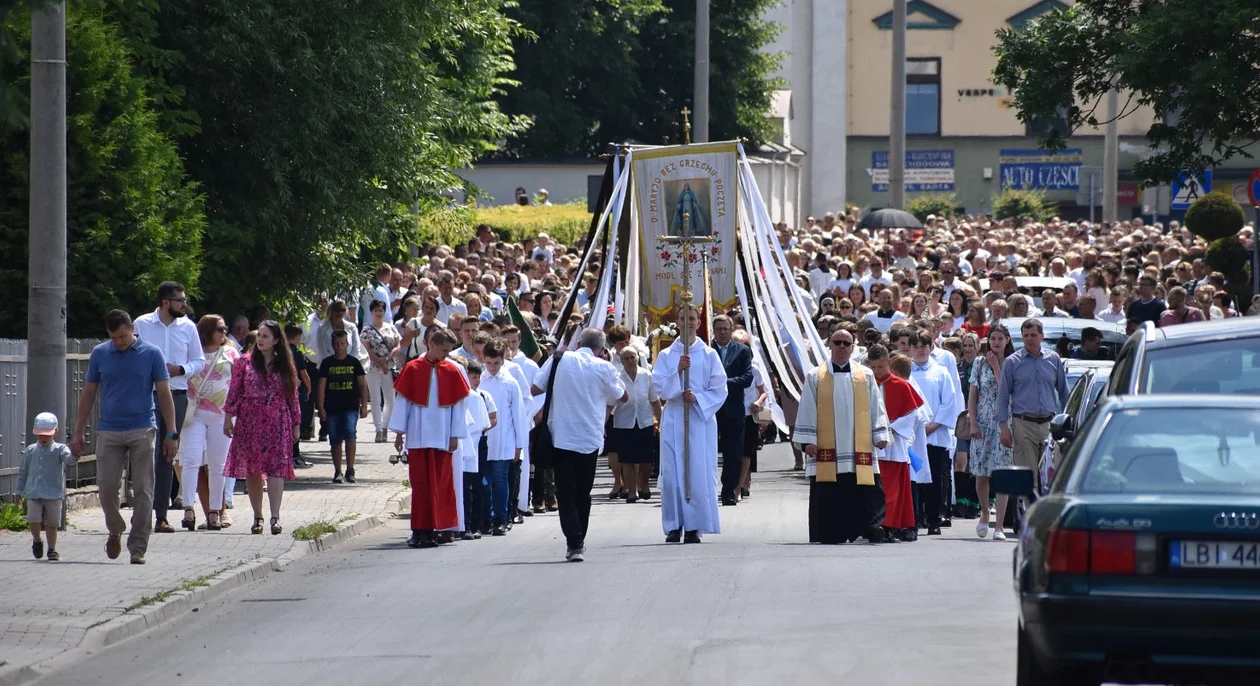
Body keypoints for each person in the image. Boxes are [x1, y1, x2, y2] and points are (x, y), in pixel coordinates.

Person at [72, 310, 178, 565]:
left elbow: (164, 394)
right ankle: (116, 528)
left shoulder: (152, 353)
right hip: (109, 428)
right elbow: (88, 393)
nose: (118, 342)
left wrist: (172, 433)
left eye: (122, 336)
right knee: (106, 487)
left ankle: (138, 547)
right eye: (113, 337)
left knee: (143, 489)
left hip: (143, 427)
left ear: (132, 328)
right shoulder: (100, 353)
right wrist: (78, 430)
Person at [532, 328, 627, 561]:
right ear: (601, 349)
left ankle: (574, 541)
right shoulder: (604, 367)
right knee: (583, 492)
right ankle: (578, 539)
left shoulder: (559, 359)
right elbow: (622, 396)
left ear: (579, 343)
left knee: (566, 491)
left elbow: (535, 388)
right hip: (588, 438)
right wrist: (608, 368)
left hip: (562, 434)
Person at [794, 327, 891, 544]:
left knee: (865, 487)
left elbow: (877, 406)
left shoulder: (865, 375)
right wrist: (808, 440)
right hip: (829, 448)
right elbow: (807, 408)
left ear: (853, 347)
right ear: (829, 345)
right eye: (837, 342)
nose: (841, 347)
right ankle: (830, 532)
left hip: (860, 445)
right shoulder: (815, 376)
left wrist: (880, 433)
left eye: (846, 343)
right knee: (830, 490)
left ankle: (870, 529)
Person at [390, 327, 471, 548]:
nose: (447, 354)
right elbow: (403, 402)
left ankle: (436, 529)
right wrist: (399, 433)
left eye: (449, 350)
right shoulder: (413, 368)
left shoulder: (453, 370)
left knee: (440, 486)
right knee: (420, 486)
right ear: (430, 344)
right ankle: (419, 530)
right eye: (444, 349)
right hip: (417, 437)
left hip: (443, 438)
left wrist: (455, 435)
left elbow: (458, 407)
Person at [133, 281, 205, 533]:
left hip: (177, 395)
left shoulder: (188, 327)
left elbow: (199, 361)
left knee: (167, 454)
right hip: (147, 396)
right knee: (144, 454)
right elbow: (130, 354)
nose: (184, 304)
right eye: (180, 300)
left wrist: (182, 369)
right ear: (165, 302)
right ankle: (140, 513)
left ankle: (161, 516)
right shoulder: (141, 324)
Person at [651, 309, 725, 544]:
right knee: (673, 473)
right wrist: (678, 372)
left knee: (696, 471)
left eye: (692, 319)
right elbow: (659, 388)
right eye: (683, 318)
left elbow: (720, 387)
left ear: (699, 322)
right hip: (674, 416)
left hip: (699, 419)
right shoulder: (666, 355)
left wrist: (699, 399)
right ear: (677, 322)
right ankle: (674, 525)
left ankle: (695, 526)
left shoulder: (709, 354)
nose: (688, 323)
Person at [223, 321, 301, 536]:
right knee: (253, 469)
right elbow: (234, 391)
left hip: (277, 419)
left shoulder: (285, 364)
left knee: (276, 468)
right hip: (250, 419)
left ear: (276, 340)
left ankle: (275, 516)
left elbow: (292, 396)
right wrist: (228, 416)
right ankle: (258, 516)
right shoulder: (244, 362)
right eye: (260, 335)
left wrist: (296, 423)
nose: (261, 340)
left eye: (266, 336)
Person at [177, 315, 240, 531]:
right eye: (220, 329)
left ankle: (215, 512)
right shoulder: (192, 352)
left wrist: (235, 413)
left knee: (217, 464)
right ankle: (188, 508)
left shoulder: (231, 352)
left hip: (222, 415)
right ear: (207, 330)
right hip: (194, 413)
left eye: (225, 328)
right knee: (191, 459)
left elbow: (238, 383)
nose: (224, 332)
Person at [996, 319, 1070, 495]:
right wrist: (1003, 427)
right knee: (1027, 477)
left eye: (1033, 335)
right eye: (1026, 336)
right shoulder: (1012, 362)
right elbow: (1003, 396)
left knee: (1051, 476)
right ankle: (1026, 518)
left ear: (1042, 336)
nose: (1030, 339)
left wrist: (1069, 421)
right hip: (1023, 424)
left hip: (1049, 424)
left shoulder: (1053, 359)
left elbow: (1064, 392)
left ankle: (1047, 518)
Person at [866, 347, 924, 543]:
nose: (877, 371)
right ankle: (875, 525)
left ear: (888, 363)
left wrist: (889, 429)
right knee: (876, 489)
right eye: (873, 367)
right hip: (872, 443)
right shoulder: (866, 384)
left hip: (894, 443)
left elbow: (912, 413)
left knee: (894, 490)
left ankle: (891, 526)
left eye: (881, 366)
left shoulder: (902, 385)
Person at [908, 328, 960, 536]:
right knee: (914, 477)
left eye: (924, 346)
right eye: (916, 347)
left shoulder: (941, 372)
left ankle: (933, 519)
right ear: (910, 349)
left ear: (931, 348)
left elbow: (949, 403)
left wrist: (933, 425)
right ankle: (914, 517)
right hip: (912, 433)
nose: (920, 350)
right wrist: (916, 428)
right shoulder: (905, 372)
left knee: (935, 478)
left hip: (935, 434)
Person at [969, 325, 1016, 541]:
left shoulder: (1012, 362)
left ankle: (999, 526)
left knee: (1002, 474)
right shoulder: (978, 363)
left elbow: (1006, 389)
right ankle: (985, 512)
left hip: (1003, 422)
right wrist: (973, 424)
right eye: (992, 338)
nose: (996, 342)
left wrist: (996, 365)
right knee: (981, 474)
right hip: (982, 421)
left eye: (1000, 338)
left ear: (1007, 340)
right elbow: (973, 395)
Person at [479, 341, 529, 536]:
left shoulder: (509, 383)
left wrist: (519, 444)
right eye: (489, 363)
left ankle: (501, 518)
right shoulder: (479, 380)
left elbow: (518, 414)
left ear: (503, 361)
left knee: (500, 480)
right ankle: (487, 517)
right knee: (484, 481)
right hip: (483, 440)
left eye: (496, 363)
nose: (492, 367)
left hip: (504, 440)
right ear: (483, 359)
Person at [17, 412, 78, 560]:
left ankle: (52, 549)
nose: (43, 438)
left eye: (47, 435)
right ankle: (37, 540)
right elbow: (23, 472)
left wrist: (76, 453)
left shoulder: (60, 449)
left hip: (53, 493)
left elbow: (69, 460)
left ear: (56, 432)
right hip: (33, 492)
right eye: (40, 435)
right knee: (33, 519)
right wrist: (19, 490)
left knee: (52, 523)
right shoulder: (30, 450)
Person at [711, 315, 754, 506]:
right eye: (718, 329)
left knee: (733, 454)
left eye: (725, 329)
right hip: (709, 409)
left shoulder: (743, 351)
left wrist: (722, 384)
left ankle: (729, 491)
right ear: (714, 330)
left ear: (731, 329)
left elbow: (747, 378)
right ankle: (707, 491)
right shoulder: (706, 350)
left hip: (734, 409)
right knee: (707, 452)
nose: (722, 332)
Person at [318, 330, 369, 483]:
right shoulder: (327, 363)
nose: (339, 347)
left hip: (351, 406)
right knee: (334, 438)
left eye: (342, 343)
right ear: (332, 345)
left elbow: (362, 385)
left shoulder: (354, 362)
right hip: (332, 406)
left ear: (347, 344)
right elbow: (321, 386)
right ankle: (338, 471)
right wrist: (320, 406)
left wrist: (364, 405)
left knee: (350, 435)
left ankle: (350, 469)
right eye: (336, 344)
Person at [611, 346, 660, 503]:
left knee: (646, 458)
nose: (630, 361)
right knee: (627, 459)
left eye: (633, 357)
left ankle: (643, 485)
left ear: (638, 358)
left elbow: (655, 400)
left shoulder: (646, 376)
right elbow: (610, 403)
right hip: (624, 423)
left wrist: (662, 420)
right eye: (626, 358)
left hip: (644, 421)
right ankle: (632, 491)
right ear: (621, 361)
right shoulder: (617, 378)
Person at [361, 300, 402, 443]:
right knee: (376, 399)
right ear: (371, 312)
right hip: (373, 368)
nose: (379, 313)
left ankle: (385, 426)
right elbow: (366, 348)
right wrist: (379, 361)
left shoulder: (391, 328)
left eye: (381, 310)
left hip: (389, 367)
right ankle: (378, 430)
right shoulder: (367, 330)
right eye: (376, 310)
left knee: (390, 399)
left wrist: (387, 358)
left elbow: (398, 346)